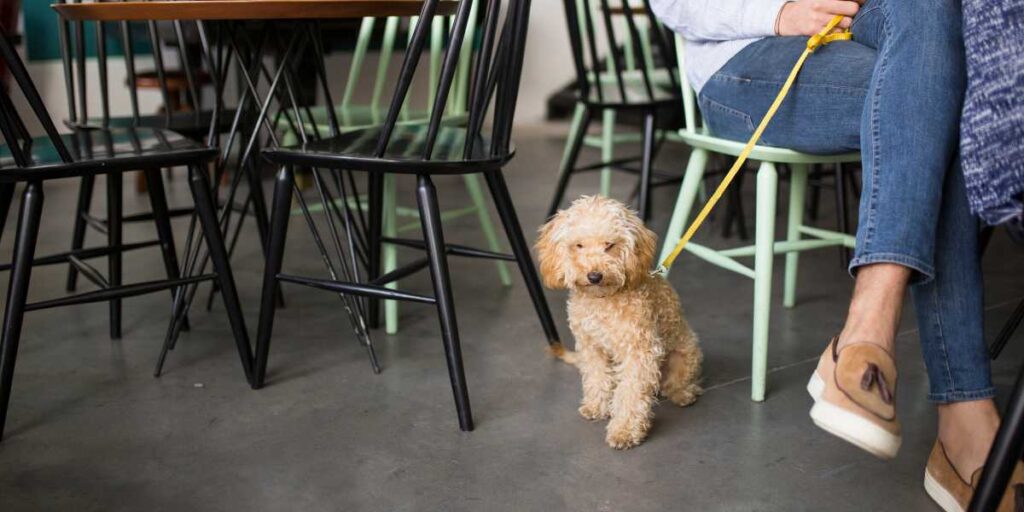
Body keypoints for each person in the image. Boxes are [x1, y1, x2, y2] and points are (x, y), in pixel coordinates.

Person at [649, 0, 1022, 508]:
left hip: (872, 27)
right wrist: (776, 12)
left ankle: (866, 335)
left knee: (932, 33)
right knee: (939, 101)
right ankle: (965, 414)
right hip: (744, 57)